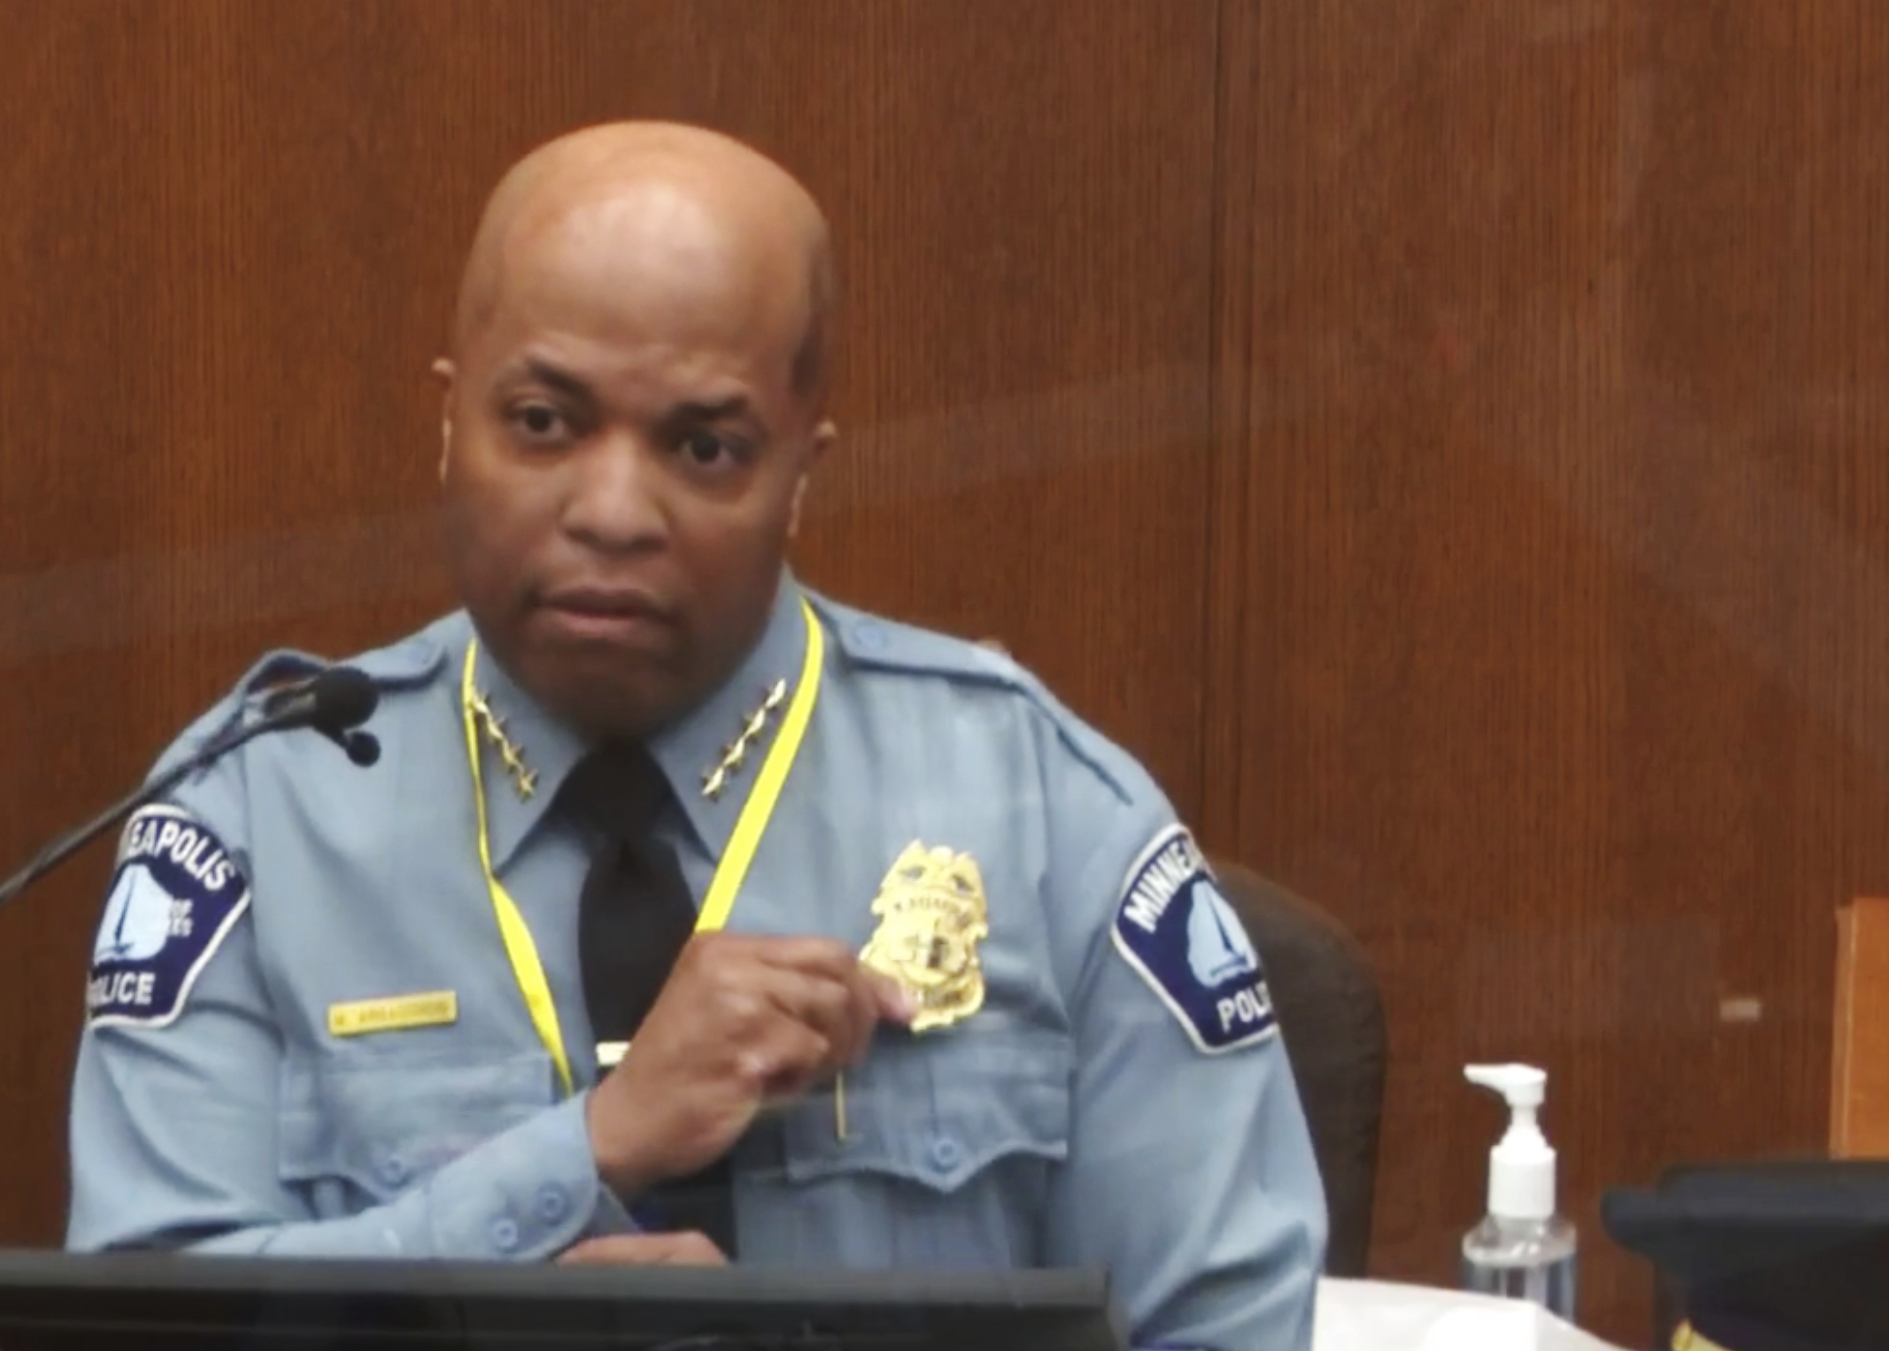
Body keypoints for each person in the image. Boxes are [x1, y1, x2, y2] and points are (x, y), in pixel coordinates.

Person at [66, 120, 1327, 1349]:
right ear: (450, 424)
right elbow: (145, 1321)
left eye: (704, 446)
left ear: (801, 472)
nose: (613, 512)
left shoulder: (1049, 816)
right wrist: (591, 1151)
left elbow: (1225, 1328)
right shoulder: (251, 821)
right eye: (545, 423)